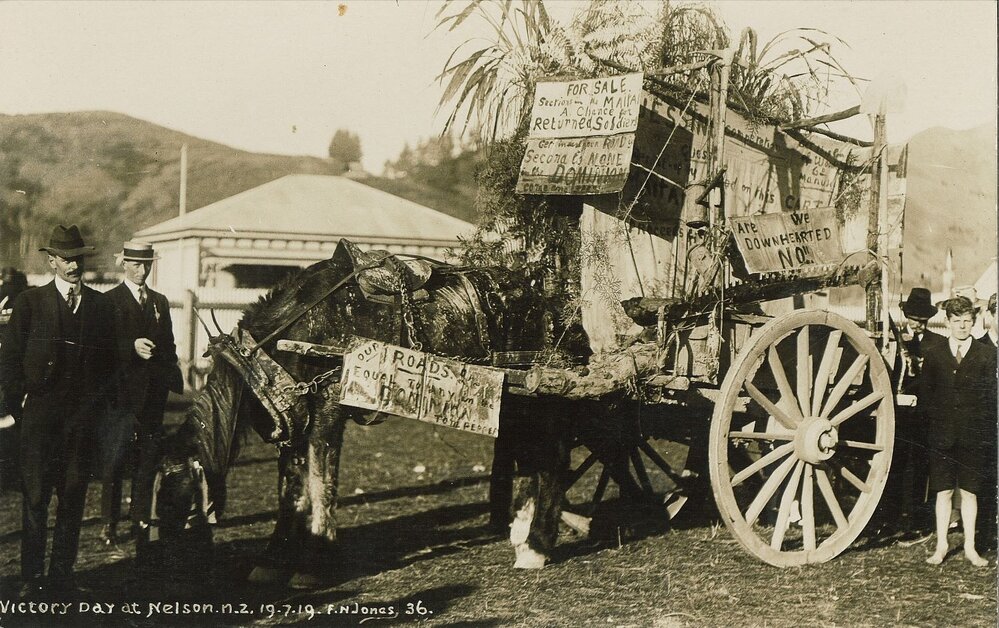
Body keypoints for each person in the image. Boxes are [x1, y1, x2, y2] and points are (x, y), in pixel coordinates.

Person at [0, 225, 117, 598]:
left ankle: (62, 577)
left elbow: (109, 366)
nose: (73, 266)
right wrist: (19, 407)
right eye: (66, 259)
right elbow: (9, 360)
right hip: (38, 421)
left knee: (72, 498)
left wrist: (96, 412)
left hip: (80, 424)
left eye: (78, 259)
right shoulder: (30, 304)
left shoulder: (99, 306)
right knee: (35, 500)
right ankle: (31, 579)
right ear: (51, 261)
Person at [99, 241, 183, 552]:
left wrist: (164, 364)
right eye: (135, 264)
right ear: (124, 264)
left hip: (153, 397)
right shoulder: (109, 302)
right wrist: (130, 347)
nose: (142, 269)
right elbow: (101, 351)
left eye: (146, 264)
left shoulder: (159, 302)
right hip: (120, 397)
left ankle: (139, 519)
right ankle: (109, 521)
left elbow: (171, 348)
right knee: (115, 460)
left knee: (147, 461)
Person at [921, 296, 996, 566]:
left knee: (969, 493)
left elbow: (991, 397)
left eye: (967, 321)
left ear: (973, 321)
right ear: (948, 322)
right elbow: (926, 395)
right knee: (943, 492)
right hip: (942, 436)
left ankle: (970, 547)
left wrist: (983, 432)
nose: (962, 326)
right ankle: (941, 546)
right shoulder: (934, 354)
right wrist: (935, 425)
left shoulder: (987, 355)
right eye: (957, 321)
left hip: (973, 437)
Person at [885, 287, 946, 531]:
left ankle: (916, 520)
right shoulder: (892, 341)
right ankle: (890, 517)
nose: (919, 325)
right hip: (898, 415)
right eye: (915, 320)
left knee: (920, 466)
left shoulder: (937, 344)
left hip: (923, 416)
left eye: (923, 321)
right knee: (895, 463)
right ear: (907, 317)